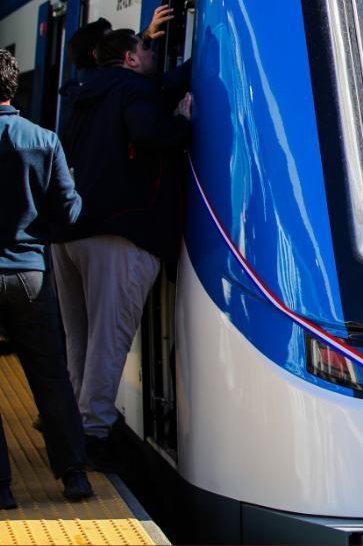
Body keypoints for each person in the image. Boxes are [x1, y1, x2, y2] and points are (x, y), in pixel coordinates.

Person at [51, 29, 193, 472]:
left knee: (80, 339)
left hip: (68, 235)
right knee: (109, 341)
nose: (152, 54)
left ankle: (75, 425)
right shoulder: (134, 88)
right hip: (119, 232)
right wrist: (182, 122)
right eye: (146, 48)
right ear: (131, 59)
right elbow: (151, 132)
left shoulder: (80, 94)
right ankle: (94, 435)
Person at [0, 49, 94, 507]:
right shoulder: (43, 139)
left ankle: (2, 488)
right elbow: (69, 214)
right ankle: (74, 475)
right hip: (30, 276)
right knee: (51, 376)